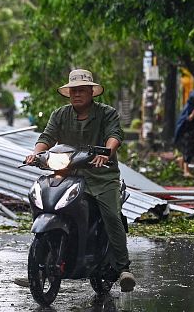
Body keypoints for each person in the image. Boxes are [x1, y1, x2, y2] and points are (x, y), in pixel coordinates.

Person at [18, 69, 135, 292]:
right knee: (45, 204)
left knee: (110, 214)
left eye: (82, 90)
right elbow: (47, 137)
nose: (77, 94)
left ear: (92, 92)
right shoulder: (60, 114)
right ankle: (38, 267)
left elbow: (114, 135)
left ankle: (123, 268)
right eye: (73, 91)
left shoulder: (106, 113)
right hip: (69, 174)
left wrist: (107, 153)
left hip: (101, 176)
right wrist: (36, 153)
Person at [173, 90, 194, 178]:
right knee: (188, 151)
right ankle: (186, 171)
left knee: (190, 151)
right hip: (186, 134)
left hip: (192, 133)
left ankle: (181, 162)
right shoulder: (188, 107)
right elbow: (185, 120)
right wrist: (192, 115)